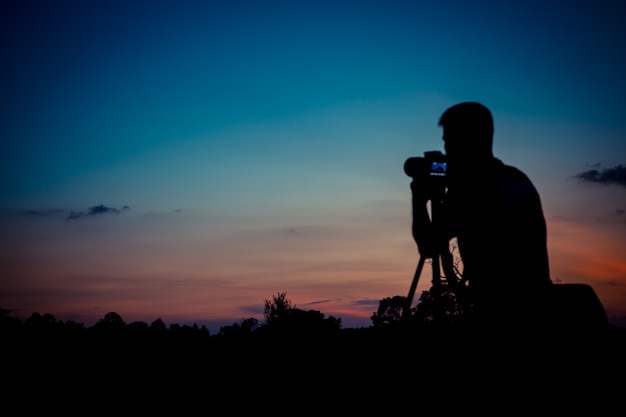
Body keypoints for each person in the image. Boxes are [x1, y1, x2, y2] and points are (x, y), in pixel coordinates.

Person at [410, 102, 553, 329]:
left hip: (501, 314)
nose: (446, 150)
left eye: (449, 141)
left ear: (468, 138)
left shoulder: (472, 188)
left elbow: (428, 246)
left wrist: (418, 197)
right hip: (540, 307)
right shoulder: (517, 179)